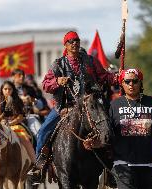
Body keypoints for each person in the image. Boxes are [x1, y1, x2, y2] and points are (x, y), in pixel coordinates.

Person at [27, 31, 117, 183]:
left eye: (77, 40)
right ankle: (39, 165)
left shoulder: (90, 61)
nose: (75, 43)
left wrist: (118, 76)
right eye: (71, 41)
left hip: (89, 106)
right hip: (64, 108)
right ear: (66, 45)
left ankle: (111, 166)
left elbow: (104, 77)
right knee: (43, 131)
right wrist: (57, 81)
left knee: (107, 126)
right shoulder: (58, 64)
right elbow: (45, 85)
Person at [109, 68, 152, 189]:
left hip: (150, 165)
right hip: (123, 165)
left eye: (135, 81)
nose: (131, 84)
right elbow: (107, 133)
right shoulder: (114, 105)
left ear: (140, 82)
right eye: (127, 81)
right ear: (122, 83)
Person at [0, 81, 36, 163]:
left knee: (25, 139)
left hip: (15, 126)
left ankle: (34, 162)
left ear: (13, 90)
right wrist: (3, 114)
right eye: (5, 89)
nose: (7, 91)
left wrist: (11, 123)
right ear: (2, 90)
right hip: (1, 127)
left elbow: (21, 117)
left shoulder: (17, 100)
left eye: (9, 89)